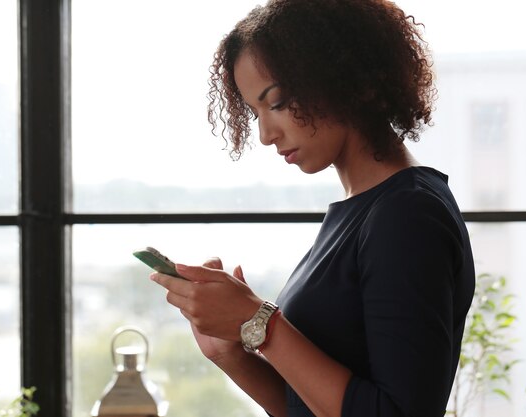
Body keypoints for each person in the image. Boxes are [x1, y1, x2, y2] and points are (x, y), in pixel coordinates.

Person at [150, 0, 476, 416]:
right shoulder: (360, 212)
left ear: (347, 78)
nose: (267, 134)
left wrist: (259, 321)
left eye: (279, 102)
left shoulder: (407, 215)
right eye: (254, 112)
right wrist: (229, 351)